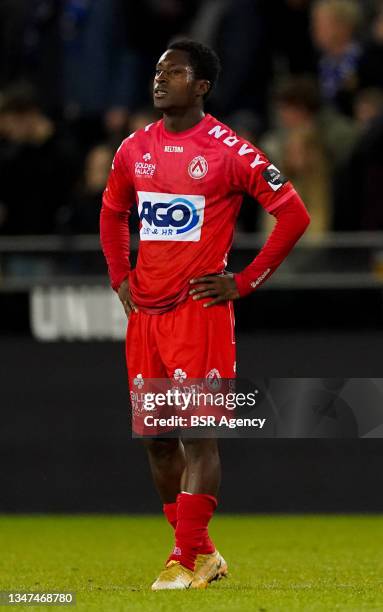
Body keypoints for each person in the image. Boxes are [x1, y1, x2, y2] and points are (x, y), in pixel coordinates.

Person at [100, 39, 310, 590]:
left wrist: (242, 281)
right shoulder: (133, 148)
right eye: (157, 69)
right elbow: (113, 210)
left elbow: (293, 214)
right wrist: (120, 275)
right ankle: (205, 553)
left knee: (198, 435)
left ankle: (183, 558)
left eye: (174, 71)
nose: (159, 78)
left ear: (201, 86)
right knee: (158, 441)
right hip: (145, 313)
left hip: (199, 311)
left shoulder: (230, 150)